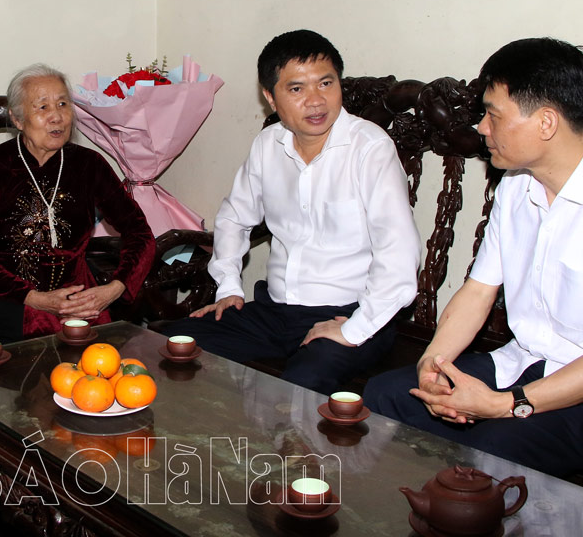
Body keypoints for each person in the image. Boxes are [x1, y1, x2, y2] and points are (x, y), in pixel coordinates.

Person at [362, 38, 583, 478]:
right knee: (387, 395)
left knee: (494, 446)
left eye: (493, 114)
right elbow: (478, 291)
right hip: (525, 362)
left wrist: (501, 405)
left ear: (546, 122)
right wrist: (432, 366)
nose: (481, 128)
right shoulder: (516, 187)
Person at [164, 30, 421, 394]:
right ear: (270, 97)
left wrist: (353, 328)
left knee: (300, 387)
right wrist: (228, 287)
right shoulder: (268, 146)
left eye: (326, 83)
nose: (315, 101)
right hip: (274, 312)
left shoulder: (370, 149)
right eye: (296, 89)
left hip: (350, 314)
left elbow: (399, 256)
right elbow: (234, 217)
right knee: (169, 342)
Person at [0, 64, 154, 341]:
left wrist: (114, 288)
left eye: (63, 104)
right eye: (42, 107)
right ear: (17, 119)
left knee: (97, 375)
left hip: (80, 301)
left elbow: (140, 233)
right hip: (8, 300)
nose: (57, 117)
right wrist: (36, 299)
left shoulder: (89, 165)